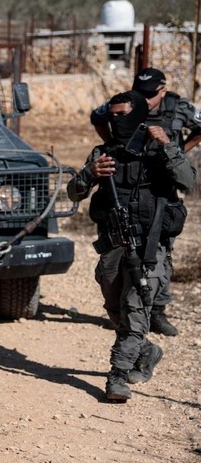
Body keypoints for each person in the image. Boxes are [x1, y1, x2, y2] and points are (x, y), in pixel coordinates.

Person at [67, 91, 195, 401]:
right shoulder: (103, 152)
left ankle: (117, 377)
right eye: (112, 115)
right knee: (116, 310)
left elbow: (188, 180)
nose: (115, 121)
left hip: (151, 247)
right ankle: (146, 351)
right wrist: (88, 174)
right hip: (113, 245)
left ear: (138, 114)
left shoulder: (160, 147)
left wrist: (167, 145)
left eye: (122, 114)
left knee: (136, 310)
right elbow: (73, 193)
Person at [88, 67, 201, 336]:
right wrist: (113, 145)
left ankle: (156, 311)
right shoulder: (125, 104)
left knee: (159, 250)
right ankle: (129, 314)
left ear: (163, 90)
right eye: (141, 94)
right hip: (127, 188)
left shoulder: (178, 107)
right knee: (118, 263)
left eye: (150, 94)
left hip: (161, 179)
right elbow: (97, 117)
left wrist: (177, 151)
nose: (146, 99)